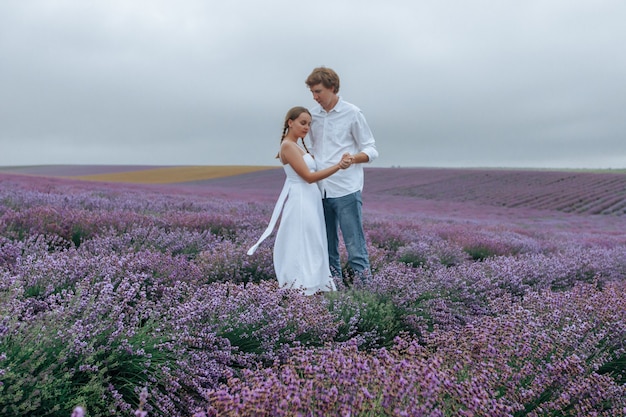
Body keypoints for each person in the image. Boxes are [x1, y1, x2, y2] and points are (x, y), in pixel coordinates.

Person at [247, 106, 352, 295]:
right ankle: (301, 287)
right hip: (302, 200)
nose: (306, 127)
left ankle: (313, 286)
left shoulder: (297, 146)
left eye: (309, 124)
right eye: (303, 123)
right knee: (302, 241)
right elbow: (309, 177)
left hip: (310, 199)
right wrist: (338, 166)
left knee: (312, 241)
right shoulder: (288, 146)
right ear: (290, 122)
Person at [305, 66, 378, 284]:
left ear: (333, 87)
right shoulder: (312, 116)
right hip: (319, 190)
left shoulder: (352, 113)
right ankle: (333, 293)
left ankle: (367, 295)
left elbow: (372, 149)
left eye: (318, 91)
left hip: (346, 189)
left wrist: (353, 159)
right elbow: (308, 147)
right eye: (312, 93)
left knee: (355, 247)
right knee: (327, 248)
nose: (315, 97)